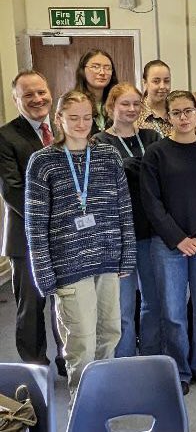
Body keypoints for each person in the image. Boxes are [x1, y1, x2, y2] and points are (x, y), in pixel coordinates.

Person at [25, 90, 136, 399]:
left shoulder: (108, 155)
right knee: (81, 343)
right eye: (73, 117)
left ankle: (105, 399)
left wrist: (127, 257)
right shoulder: (43, 162)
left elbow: (123, 208)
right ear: (59, 118)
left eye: (87, 117)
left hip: (108, 261)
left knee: (111, 333)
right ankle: (83, 408)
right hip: (70, 266)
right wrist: (43, 273)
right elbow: (34, 224)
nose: (82, 124)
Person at [141, 90, 196, 394]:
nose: (183, 117)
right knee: (173, 310)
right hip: (168, 245)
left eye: (188, 111)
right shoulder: (156, 153)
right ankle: (178, 369)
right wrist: (178, 239)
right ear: (167, 117)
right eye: (176, 112)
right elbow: (151, 202)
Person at [0, 70, 65, 374]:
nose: (38, 99)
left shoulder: (64, 128)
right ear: (16, 100)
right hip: (26, 237)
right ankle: (35, 368)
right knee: (31, 307)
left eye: (41, 92)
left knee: (65, 303)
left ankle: (68, 361)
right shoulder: (5, 137)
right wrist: (48, 220)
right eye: (28, 95)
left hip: (66, 235)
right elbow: (12, 190)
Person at [93, 83, 161, 358]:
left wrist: (128, 167)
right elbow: (105, 182)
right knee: (121, 306)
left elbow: (159, 176)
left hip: (150, 230)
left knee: (152, 302)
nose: (131, 109)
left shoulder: (152, 137)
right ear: (111, 107)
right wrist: (138, 167)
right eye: (125, 104)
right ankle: (124, 364)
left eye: (136, 104)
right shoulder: (99, 142)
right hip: (117, 234)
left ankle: (150, 357)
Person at [75, 49, 118, 133]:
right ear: (82, 70)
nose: (102, 72)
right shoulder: (73, 103)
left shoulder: (117, 103)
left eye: (107, 68)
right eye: (95, 67)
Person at [136, 60, 172, 138]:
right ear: (145, 83)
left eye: (166, 81)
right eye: (156, 81)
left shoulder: (178, 112)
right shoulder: (135, 114)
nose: (162, 86)